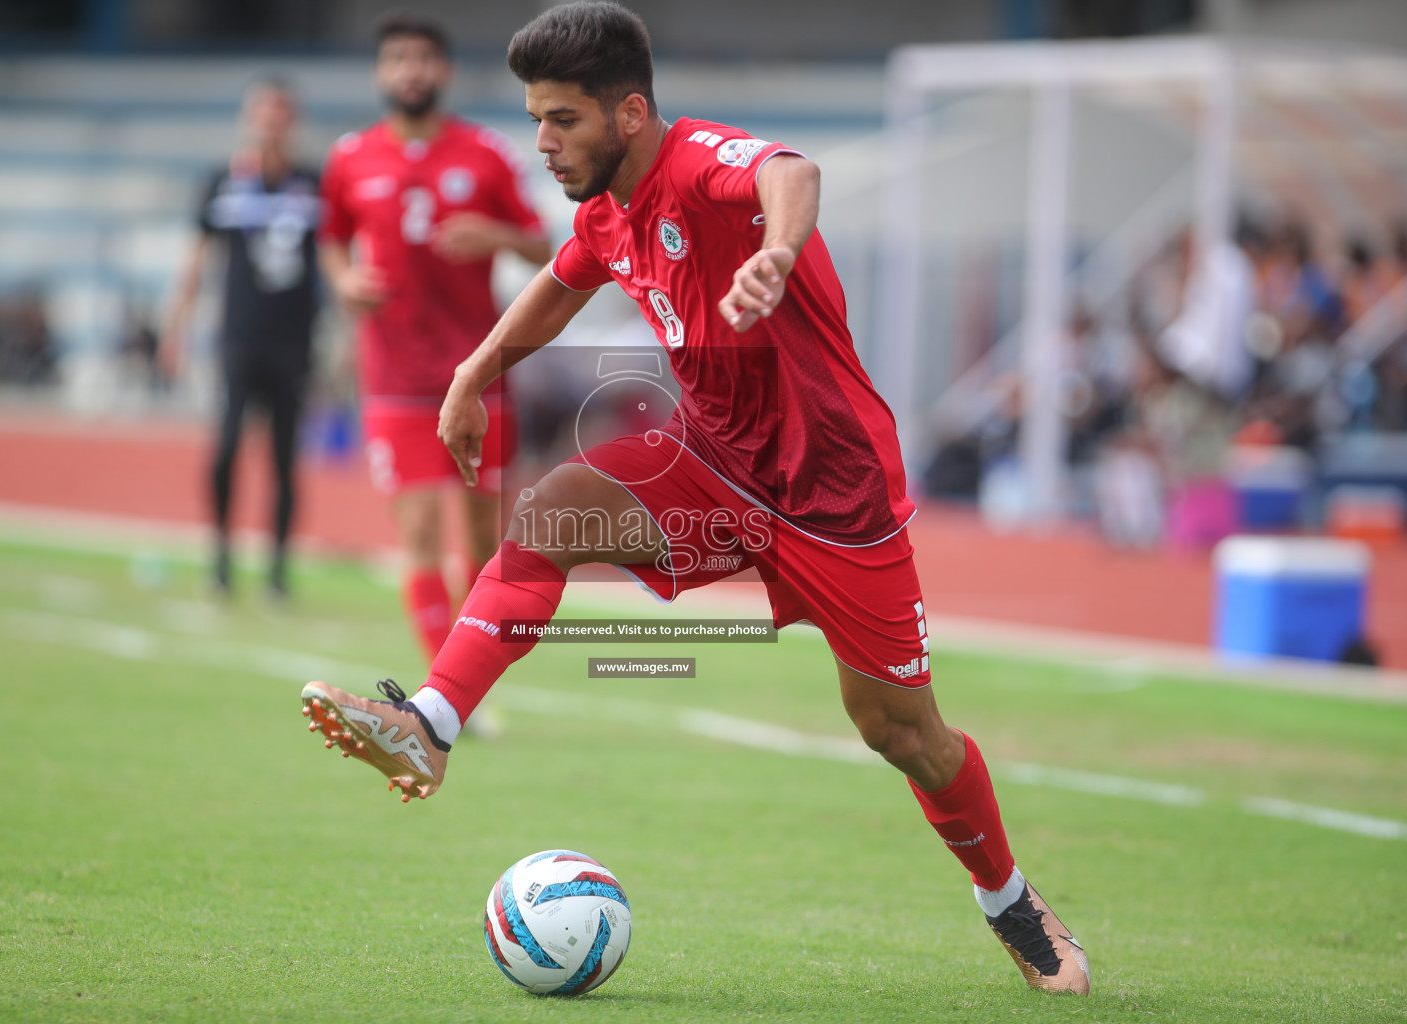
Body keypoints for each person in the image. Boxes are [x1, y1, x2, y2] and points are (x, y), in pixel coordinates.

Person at [299, 1, 1089, 997]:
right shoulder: (605, 209)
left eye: (564, 121)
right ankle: (430, 721)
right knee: (549, 514)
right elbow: (560, 278)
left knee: (902, 735)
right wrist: (476, 368)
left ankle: (1006, 895)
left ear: (629, 114)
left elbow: (790, 173)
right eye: (536, 119)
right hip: (712, 464)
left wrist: (780, 250)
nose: (543, 142)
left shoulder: (699, 162)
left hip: (833, 495)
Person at [318, 13, 551, 661]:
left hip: (478, 372)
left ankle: (465, 671)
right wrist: (342, 280)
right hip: (393, 374)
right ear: (380, 73)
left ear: (444, 71)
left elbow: (547, 250)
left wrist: (495, 235)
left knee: (481, 538)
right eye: (398, 59)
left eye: (424, 59)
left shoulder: (487, 154)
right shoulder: (348, 158)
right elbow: (331, 240)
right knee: (418, 530)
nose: (411, 70)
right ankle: (443, 684)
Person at [162, 77, 321, 598]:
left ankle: (277, 569)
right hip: (238, 338)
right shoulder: (223, 182)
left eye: (280, 112)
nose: (271, 122)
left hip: (295, 340)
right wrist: (174, 328)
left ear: (291, 120)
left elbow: (339, 260)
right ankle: (222, 559)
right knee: (227, 447)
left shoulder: (313, 183)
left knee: (283, 456)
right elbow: (197, 259)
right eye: (263, 112)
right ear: (249, 119)